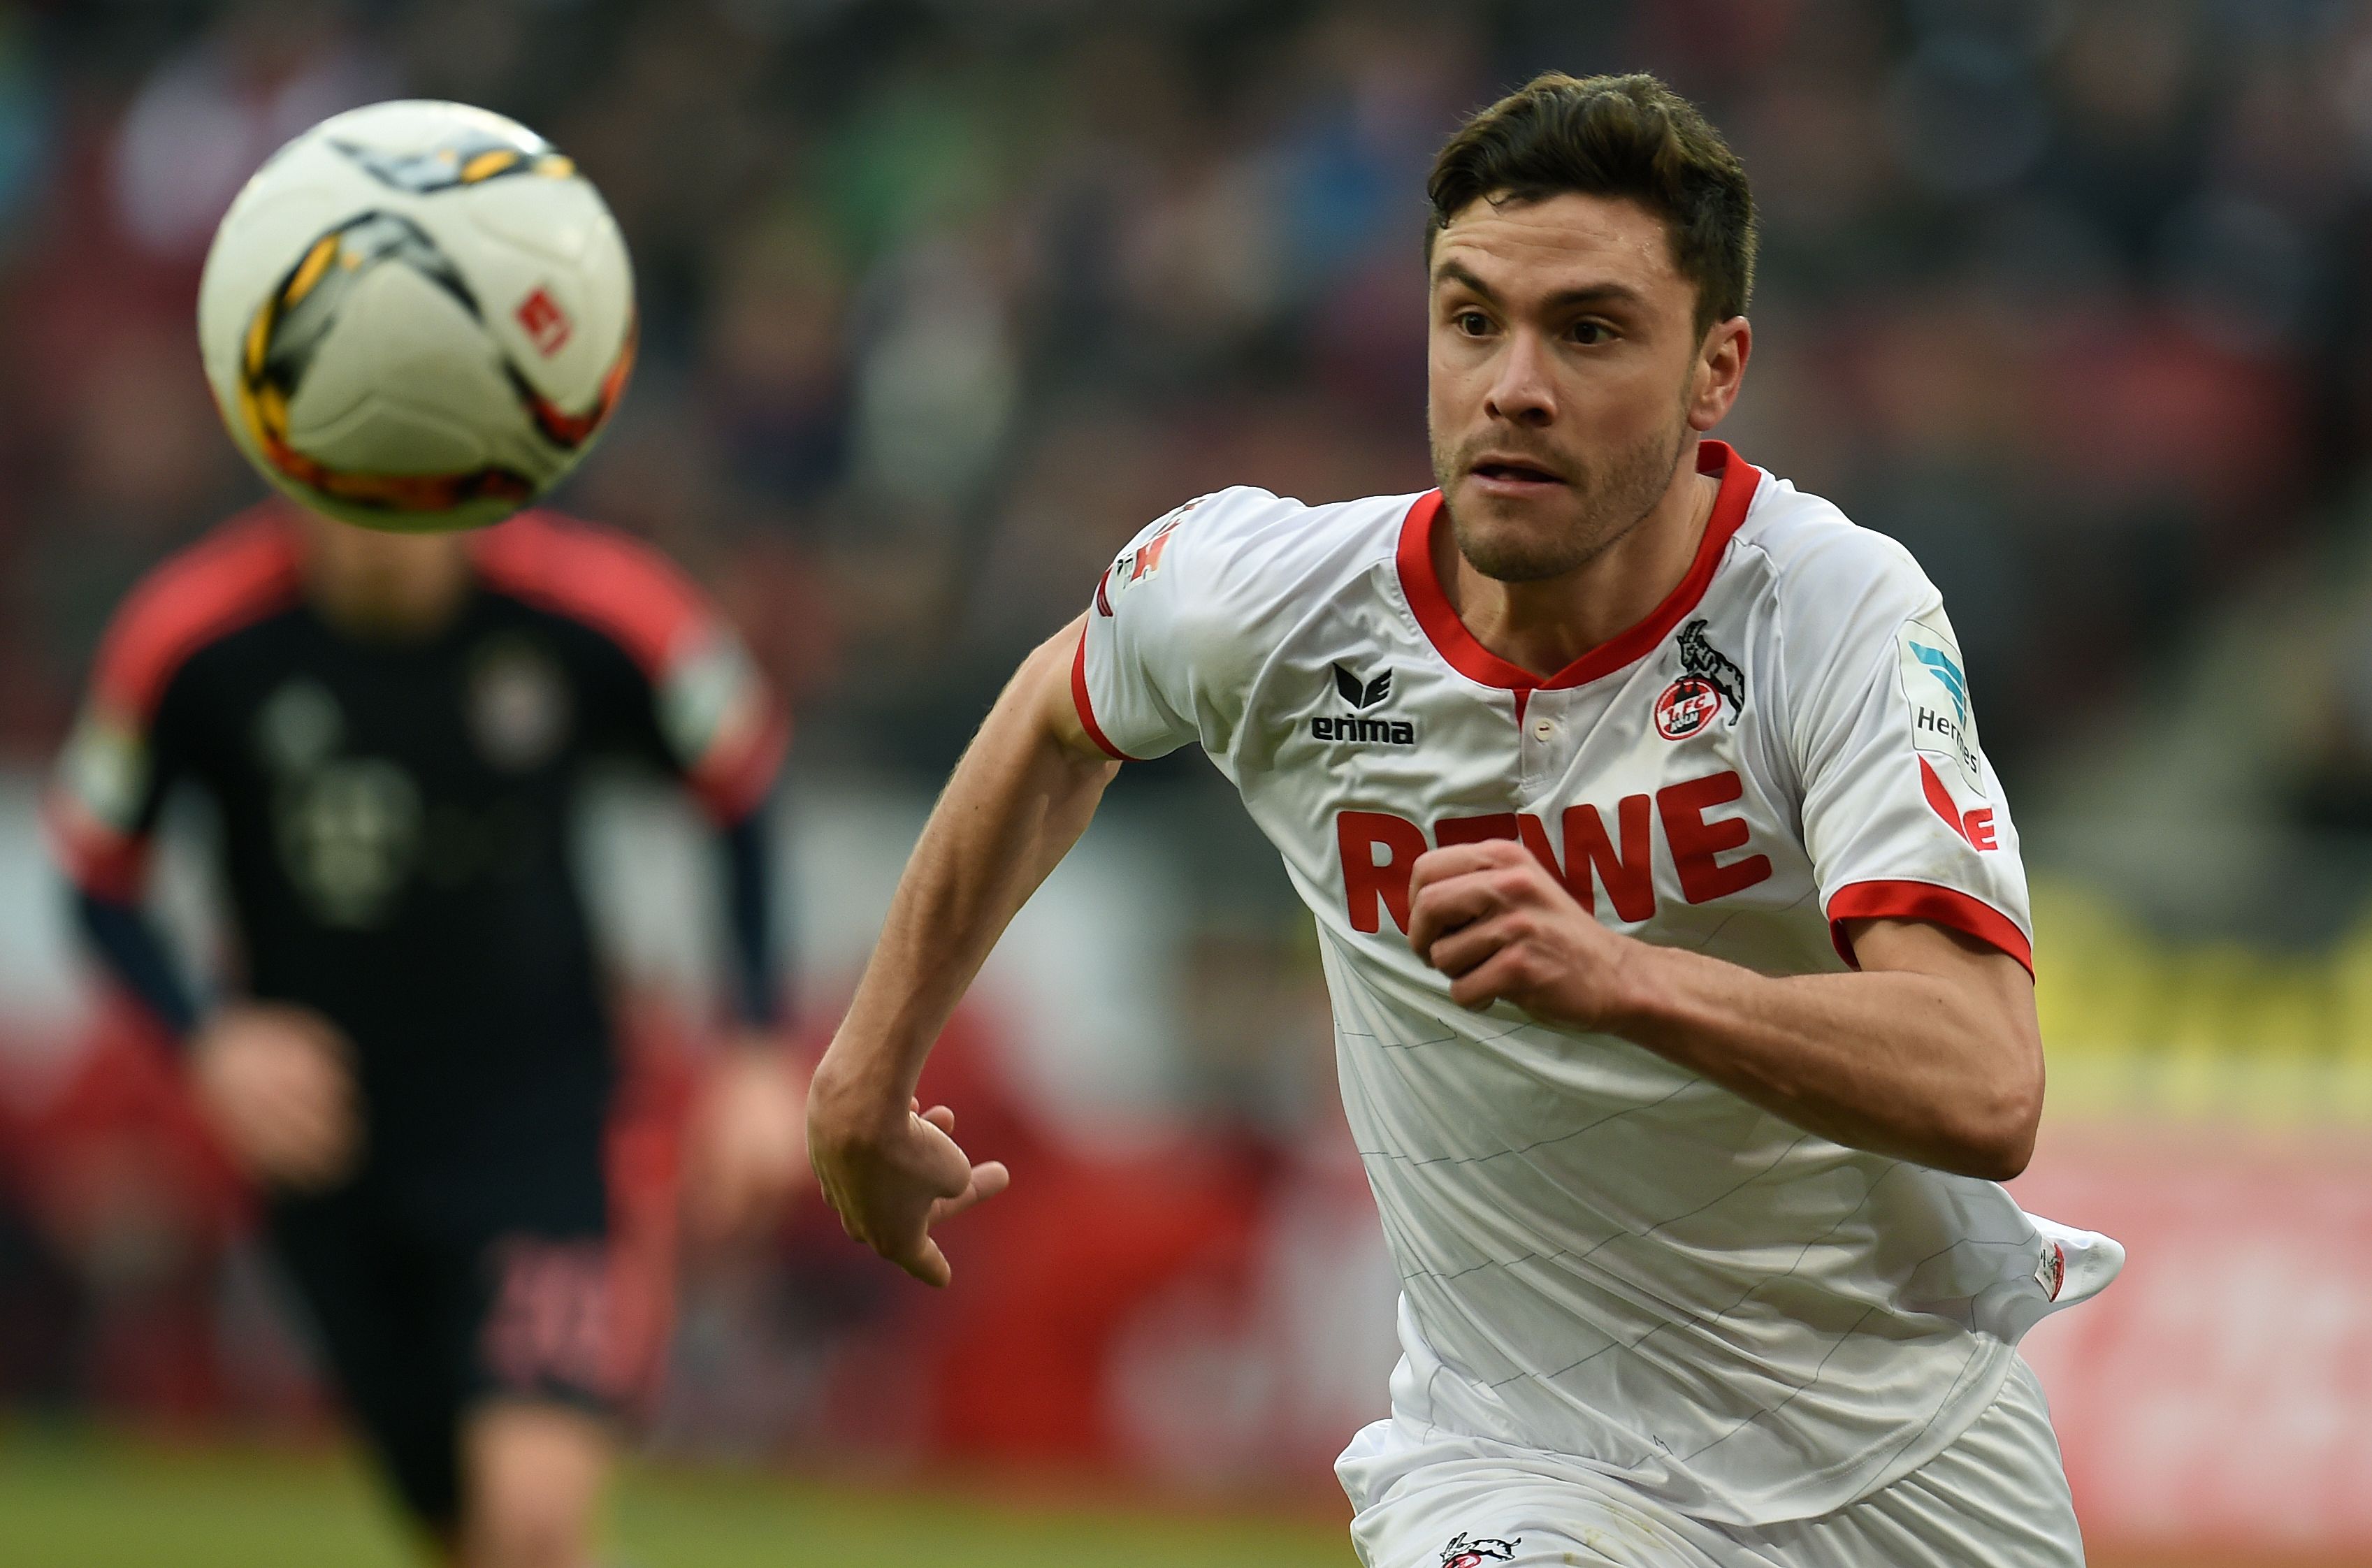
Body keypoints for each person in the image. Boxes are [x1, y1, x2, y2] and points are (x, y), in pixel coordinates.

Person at [806, 72, 2122, 1568]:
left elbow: (1981, 1080)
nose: (1511, 383)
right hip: (1520, 1458)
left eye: (1588, 330)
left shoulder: (1831, 616)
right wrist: (867, 1071)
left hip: (1900, 1448)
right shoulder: (1274, 606)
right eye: (1470, 318)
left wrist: (1621, 977)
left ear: (1716, 372)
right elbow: (1061, 708)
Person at [48, 500, 806, 1568]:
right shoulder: (193, 634)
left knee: (531, 1525)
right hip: (328, 1149)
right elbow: (94, 873)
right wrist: (209, 1041)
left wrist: (758, 1048)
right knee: (459, 1534)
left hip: (545, 1128)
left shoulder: (593, 604)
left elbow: (740, 772)